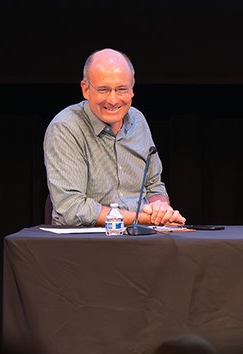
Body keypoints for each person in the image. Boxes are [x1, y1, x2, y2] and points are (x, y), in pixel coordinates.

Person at [44, 48, 185, 227]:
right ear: (85, 89)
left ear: (132, 90)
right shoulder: (66, 128)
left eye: (121, 89)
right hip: (87, 241)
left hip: (143, 236)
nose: (113, 100)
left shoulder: (138, 120)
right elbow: (72, 208)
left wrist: (161, 211)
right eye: (103, 90)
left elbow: (153, 185)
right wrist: (141, 219)